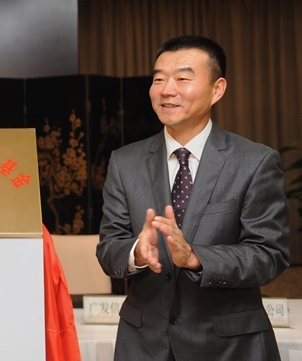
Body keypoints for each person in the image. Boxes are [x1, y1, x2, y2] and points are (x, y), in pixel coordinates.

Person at [96, 35, 290, 361]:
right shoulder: (124, 162)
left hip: (229, 346)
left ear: (217, 89)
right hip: (143, 345)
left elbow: (269, 255)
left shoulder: (255, 162)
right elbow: (108, 248)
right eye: (159, 79)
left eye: (183, 79)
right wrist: (136, 252)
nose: (166, 90)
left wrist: (196, 258)